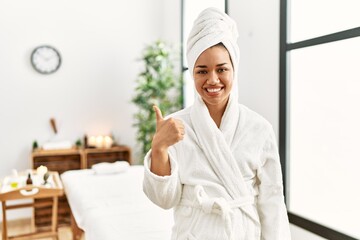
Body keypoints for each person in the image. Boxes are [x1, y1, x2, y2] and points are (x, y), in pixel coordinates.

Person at [143, 7, 291, 240]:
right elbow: (164, 200)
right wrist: (159, 147)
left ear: (234, 70)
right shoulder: (176, 126)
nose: (212, 80)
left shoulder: (259, 128)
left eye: (222, 69)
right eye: (202, 71)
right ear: (192, 74)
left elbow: (272, 200)